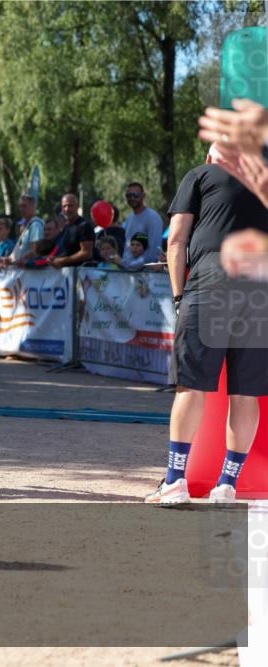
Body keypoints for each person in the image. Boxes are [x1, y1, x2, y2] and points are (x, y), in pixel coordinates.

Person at [145, 143, 268, 506]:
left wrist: (180, 296)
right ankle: (228, 485)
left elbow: (177, 240)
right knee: (245, 392)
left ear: (212, 159)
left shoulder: (200, 175)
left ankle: (175, 481)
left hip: (214, 276)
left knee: (192, 385)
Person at [121, 182, 164, 265]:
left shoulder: (153, 217)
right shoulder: (129, 218)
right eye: (128, 195)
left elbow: (154, 253)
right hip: (128, 274)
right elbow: (127, 249)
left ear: (143, 195)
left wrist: (130, 265)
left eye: (135, 195)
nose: (132, 198)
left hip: (147, 274)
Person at [49, 194, 94, 268]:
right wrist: (54, 258)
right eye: (64, 206)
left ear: (77, 206)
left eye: (70, 206)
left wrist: (62, 260)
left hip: (81, 276)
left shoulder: (84, 226)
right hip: (65, 275)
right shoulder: (65, 227)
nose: (67, 209)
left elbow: (86, 253)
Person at [5, 195, 44, 266]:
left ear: (33, 207)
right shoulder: (27, 225)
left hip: (30, 273)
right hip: (20, 272)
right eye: (20, 206)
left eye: (24, 206)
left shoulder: (35, 225)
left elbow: (34, 252)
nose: (21, 209)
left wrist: (15, 261)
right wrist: (8, 259)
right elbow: (21, 250)